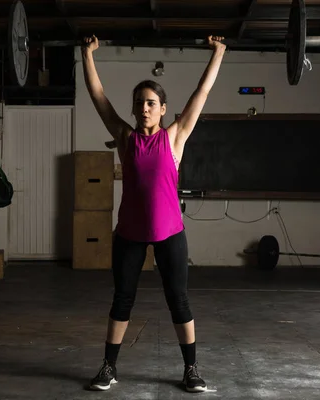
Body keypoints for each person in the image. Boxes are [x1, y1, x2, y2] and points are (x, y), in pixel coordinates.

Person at [81, 34, 226, 393]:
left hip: (170, 234)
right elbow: (98, 97)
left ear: (163, 108)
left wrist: (219, 52)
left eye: (151, 103)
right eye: (139, 103)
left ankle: (191, 369)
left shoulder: (175, 137)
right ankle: (108, 368)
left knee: (179, 299)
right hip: (129, 235)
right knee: (122, 300)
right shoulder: (126, 138)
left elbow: (201, 94)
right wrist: (87, 54)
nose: (144, 108)